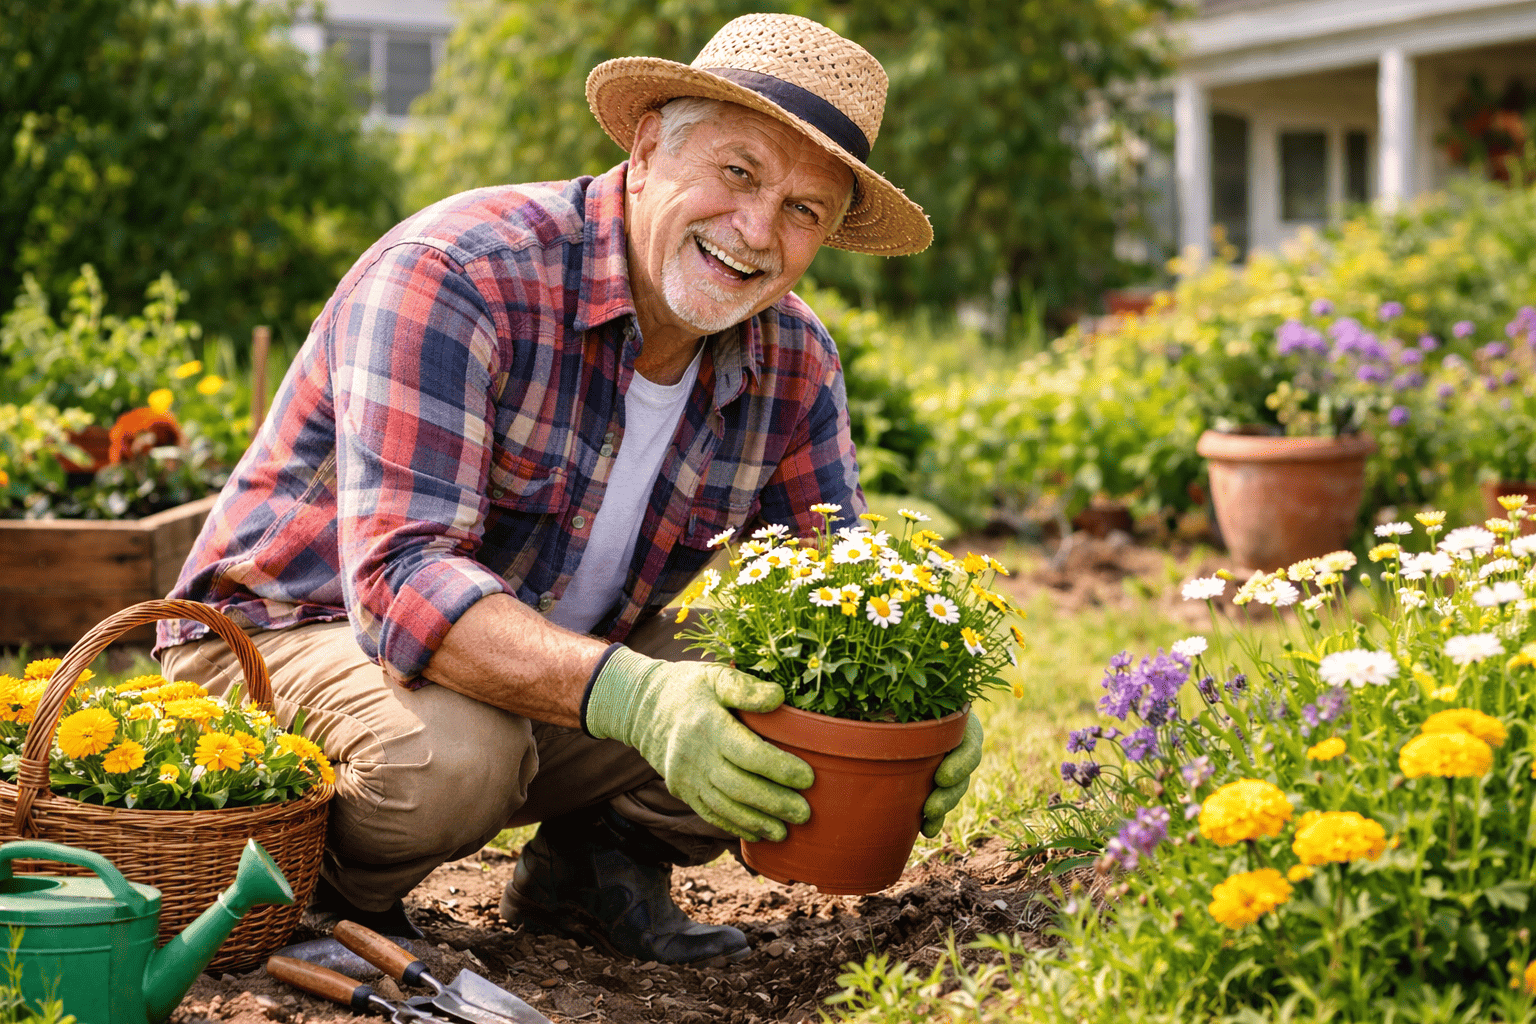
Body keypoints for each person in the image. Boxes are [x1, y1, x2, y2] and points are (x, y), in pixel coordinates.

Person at [155, 12, 983, 966]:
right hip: (283, 639)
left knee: (792, 663)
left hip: (535, 665)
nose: (757, 232)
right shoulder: (459, 273)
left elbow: (837, 588)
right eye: (739, 172)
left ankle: (597, 869)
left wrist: (912, 716)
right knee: (458, 759)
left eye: (805, 210)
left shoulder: (792, 358)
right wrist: (638, 699)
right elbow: (398, 582)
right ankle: (300, 896)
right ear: (645, 150)